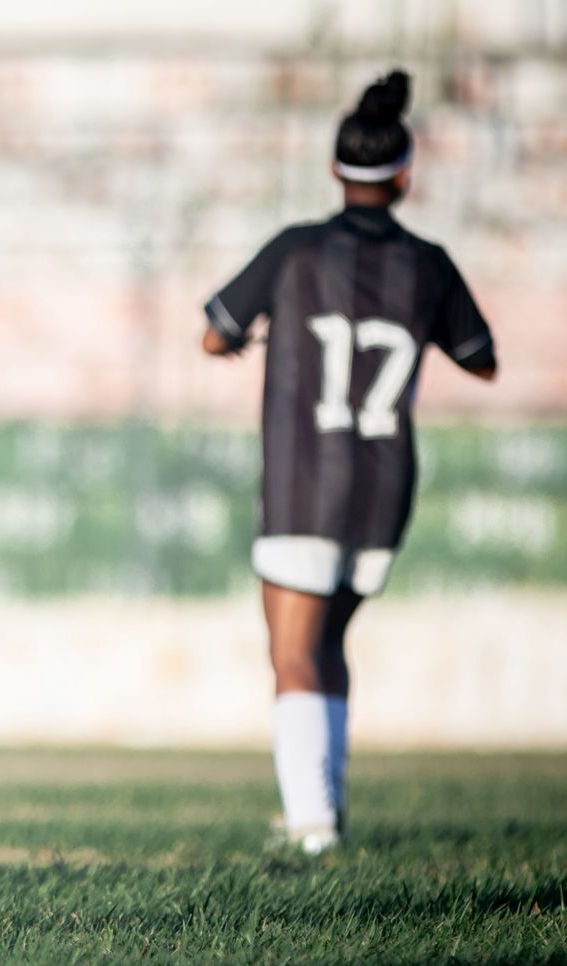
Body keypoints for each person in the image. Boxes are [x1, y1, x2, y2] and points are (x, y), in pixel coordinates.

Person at [202, 71, 496, 854]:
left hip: (305, 477)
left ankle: (312, 826)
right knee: (330, 645)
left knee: (294, 650)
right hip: (383, 484)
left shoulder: (298, 249)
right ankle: (320, 805)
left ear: (336, 169)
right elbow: (484, 359)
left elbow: (214, 329)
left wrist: (242, 339)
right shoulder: (428, 263)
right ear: (404, 174)